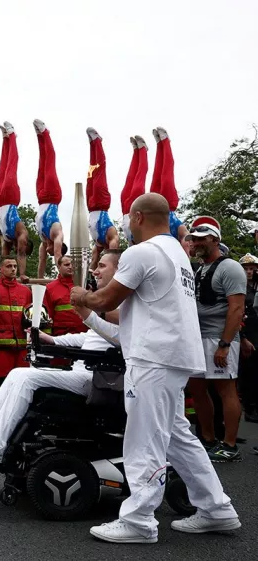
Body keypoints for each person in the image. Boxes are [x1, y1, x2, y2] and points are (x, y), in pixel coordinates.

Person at [71, 192, 239, 544]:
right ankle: (216, 509)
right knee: (178, 438)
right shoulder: (178, 254)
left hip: (153, 358)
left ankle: (139, 521)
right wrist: (92, 312)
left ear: (137, 217)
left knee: (144, 438)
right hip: (174, 356)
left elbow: (106, 299)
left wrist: (82, 298)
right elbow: (131, 311)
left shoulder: (141, 252)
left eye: (128, 219)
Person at [0, 250, 122, 464]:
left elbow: (119, 337)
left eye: (102, 266)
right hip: (84, 370)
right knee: (16, 374)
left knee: (25, 378)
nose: (95, 270)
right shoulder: (109, 302)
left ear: (120, 269)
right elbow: (89, 336)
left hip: (97, 378)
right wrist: (51, 340)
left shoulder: (124, 304)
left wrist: (88, 313)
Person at [185, 218, 246, 462]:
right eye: (194, 239)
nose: (196, 242)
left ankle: (230, 444)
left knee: (226, 390)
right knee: (197, 389)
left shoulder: (230, 267)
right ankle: (208, 439)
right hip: (197, 337)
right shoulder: (199, 268)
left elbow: (237, 308)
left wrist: (225, 344)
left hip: (219, 337)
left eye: (202, 238)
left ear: (215, 239)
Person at [0, 258, 31, 395]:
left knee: (22, 383)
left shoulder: (25, 291)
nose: (13, 269)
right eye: (9, 266)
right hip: (0, 347)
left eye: (15, 266)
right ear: (1, 269)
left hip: (21, 347)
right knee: (0, 383)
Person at [0, 122, 31, 281]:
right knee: (11, 166)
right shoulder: (21, 233)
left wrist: (4, 276)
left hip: (0, 200)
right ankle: (13, 136)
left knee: (2, 166)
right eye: (21, 247)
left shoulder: (8, 240)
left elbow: (4, 258)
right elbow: (21, 254)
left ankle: (5, 139)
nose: (18, 248)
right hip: (10, 198)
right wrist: (22, 274)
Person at [33, 119, 65, 278]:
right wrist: (61, 275)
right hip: (52, 196)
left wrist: (38, 281)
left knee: (41, 163)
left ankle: (39, 136)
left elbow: (41, 262)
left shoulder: (43, 240)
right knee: (50, 162)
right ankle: (45, 133)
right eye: (50, 252)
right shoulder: (57, 236)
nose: (48, 251)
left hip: (41, 197)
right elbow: (58, 257)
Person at [87, 127, 120, 270]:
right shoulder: (111, 237)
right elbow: (112, 258)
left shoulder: (98, 244)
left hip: (91, 206)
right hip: (101, 204)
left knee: (91, 173)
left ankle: (92, 146)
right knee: (100, 172)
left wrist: (92, 273)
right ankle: (97, 142)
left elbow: (93, 262)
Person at [150, 127, 189, 247]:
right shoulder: (178, 230)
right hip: (168, 206)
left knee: (156, 174)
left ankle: (159, 145)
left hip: (154, 209)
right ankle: (165, 142)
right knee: (166, 174)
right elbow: (187, 239)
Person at [43, 255, 86, 336]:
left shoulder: (83, 284)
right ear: (59, 267)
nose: (70, 267)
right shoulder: (50, 288)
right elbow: (47, 315)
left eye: (72, 264)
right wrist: (47, 337)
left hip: (83, 333)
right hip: (61, 335)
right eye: (67, 265)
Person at [239, 254, 258, 423]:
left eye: (252, 269)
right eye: (246, 269)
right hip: (246, 333)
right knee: (247, 372)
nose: (249, 272)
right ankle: (249, 407)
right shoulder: (239, 287)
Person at [120, 136, 148, 245]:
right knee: (138, 181)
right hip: (134, 211)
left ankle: (136, 151)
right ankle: (143, 150)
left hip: (125, 213)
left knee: (130, 178)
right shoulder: (142, 240)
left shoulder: (130, 245)